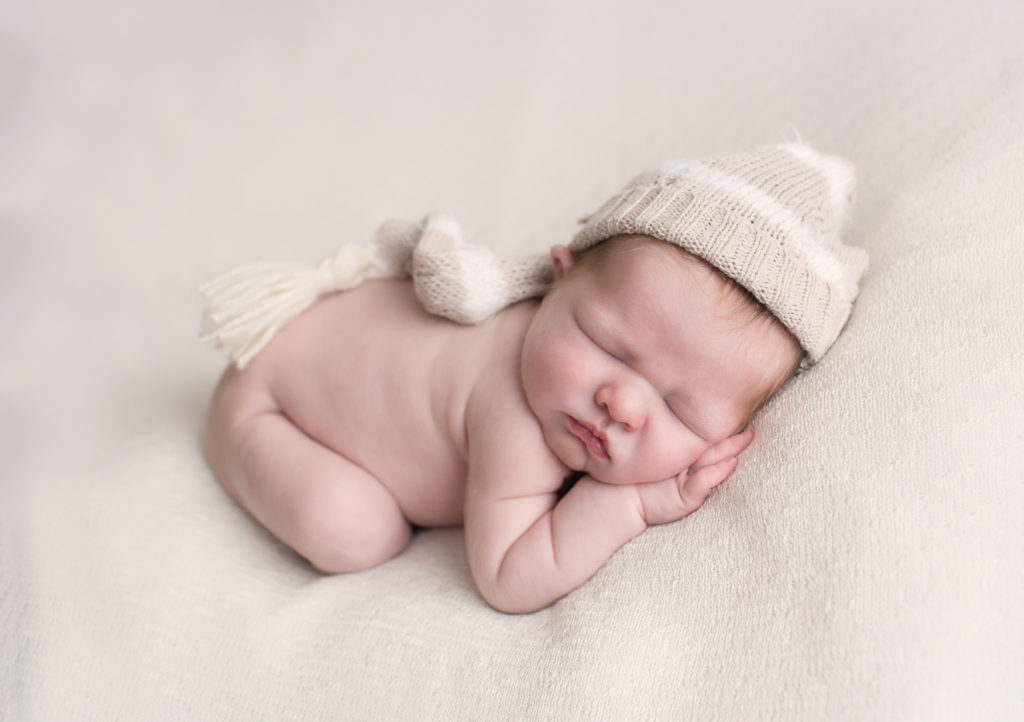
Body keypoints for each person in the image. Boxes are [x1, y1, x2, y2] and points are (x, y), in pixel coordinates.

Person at [201, 143, 868, 614]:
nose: (624, 404)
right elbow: (507, 576)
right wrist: (630, 503)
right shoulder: (515, 412)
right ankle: (226, 427)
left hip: (326, 350)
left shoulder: (566, 377)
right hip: (272, 394)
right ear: (558, 274)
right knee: (357, 532)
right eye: (609, 347)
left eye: (681, 409)